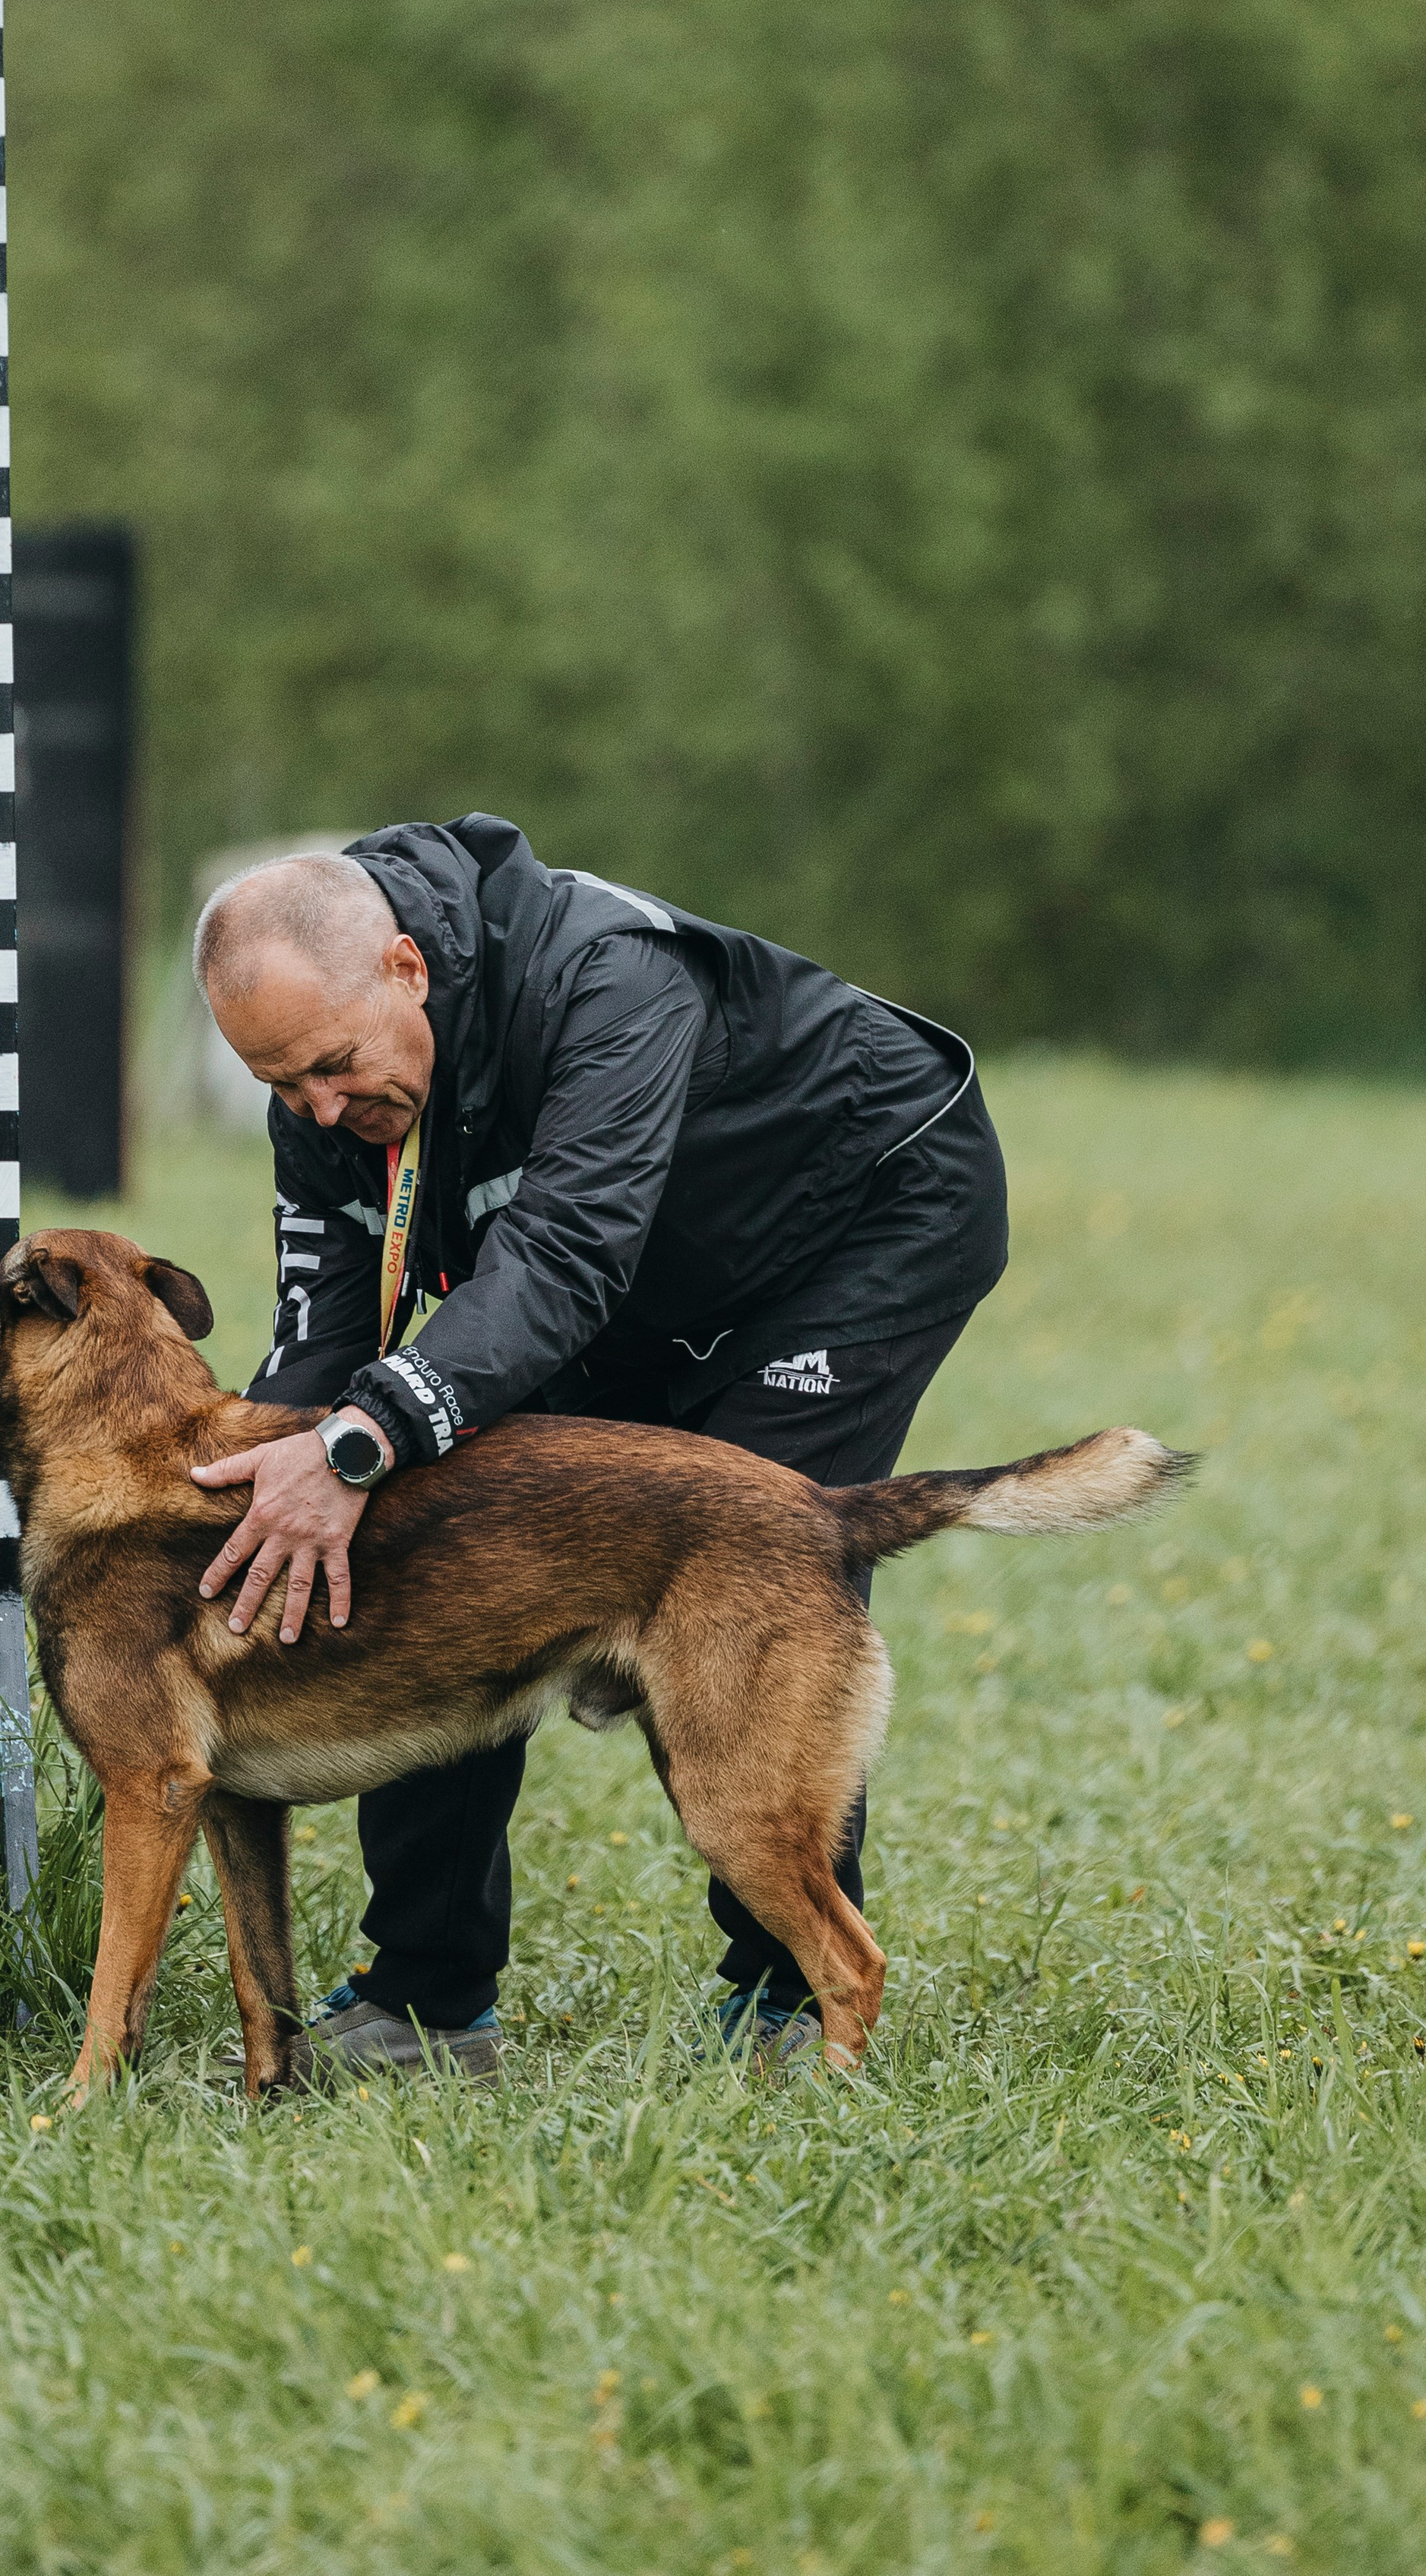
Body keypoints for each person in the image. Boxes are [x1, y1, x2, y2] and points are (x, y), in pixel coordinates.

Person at [189, 814, 1007, 2075]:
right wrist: (254, 1493)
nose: (319, 1107)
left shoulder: (606, 976)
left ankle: (792, 1994)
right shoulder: (324, 1082)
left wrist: (359, 1443)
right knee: (439, 1529)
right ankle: (426, 1999)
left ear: (407, 969)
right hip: (642, 1272)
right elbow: (319, 1344)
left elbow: (565, 1257)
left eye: (335, 1068)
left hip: (861, 1219)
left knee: (744, 1556)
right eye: (283, 1087)